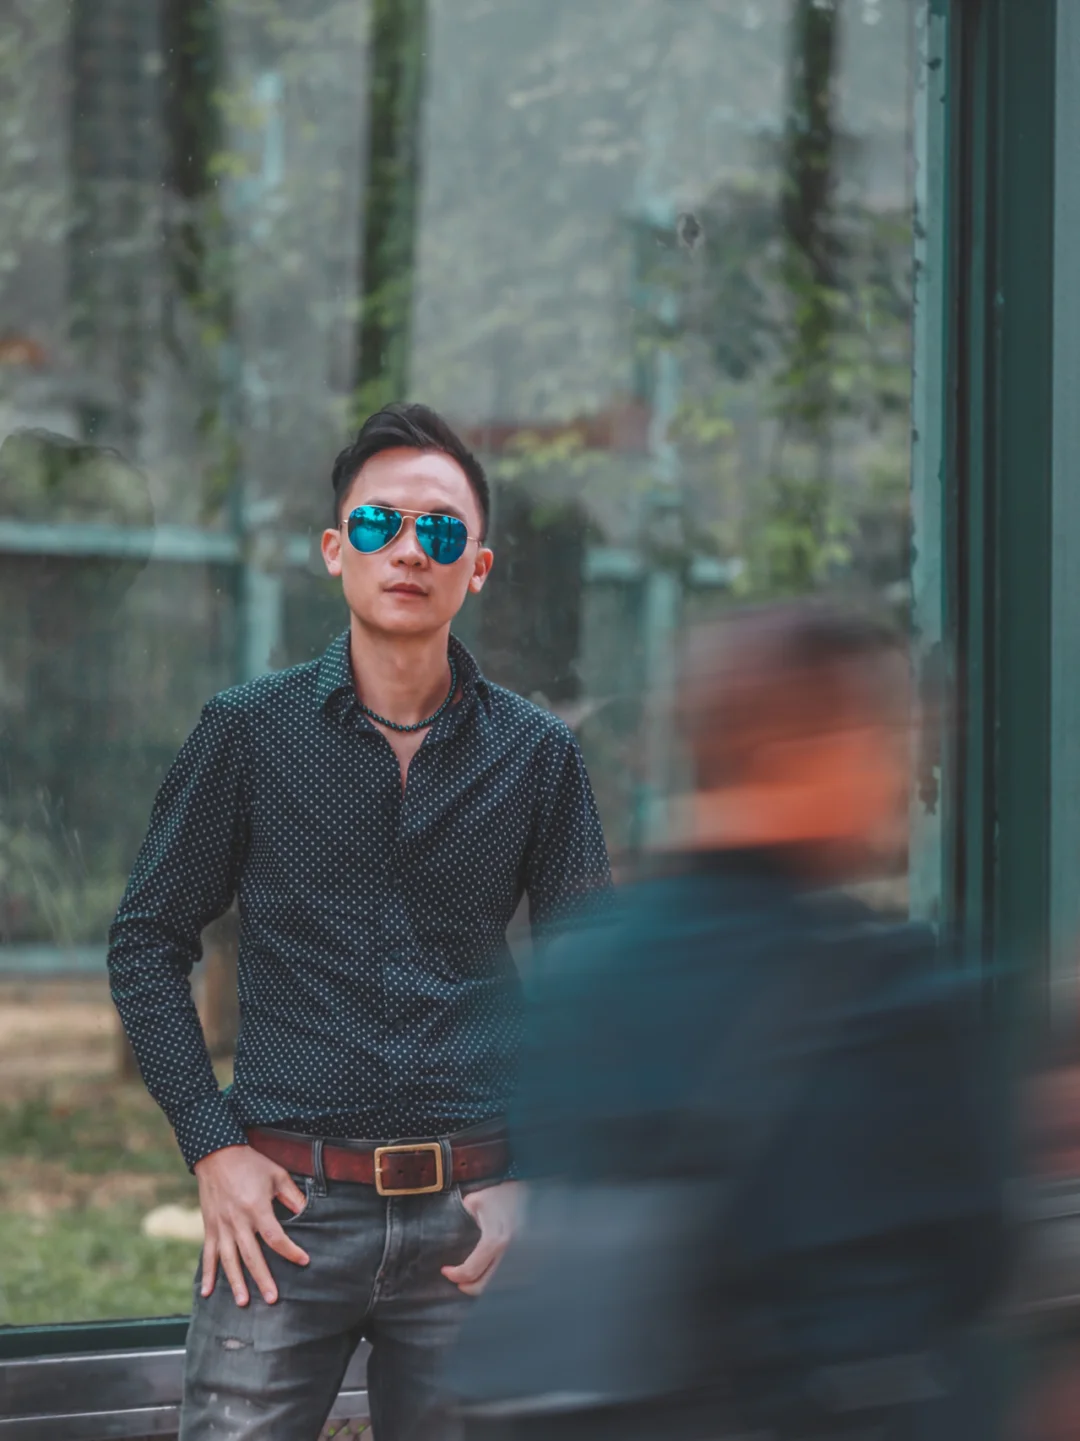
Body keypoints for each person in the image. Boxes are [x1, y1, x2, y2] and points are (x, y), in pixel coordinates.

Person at [107, 402, 611, 1441]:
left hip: (473, 1211)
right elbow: (146, 942)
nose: (409, 550)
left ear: (477, 567)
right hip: (284, 1212)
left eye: (441, 531)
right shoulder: (247, 733)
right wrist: (212, 1147)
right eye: (381, 523)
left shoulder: (536, 754)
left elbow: (591, 978)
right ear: (337, 549)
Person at [450, 603, 1008, 1441]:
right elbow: (971, 1264)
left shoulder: (583, 975)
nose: (903, 774)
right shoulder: (889, 993)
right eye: (883, 738)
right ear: (806, 755)